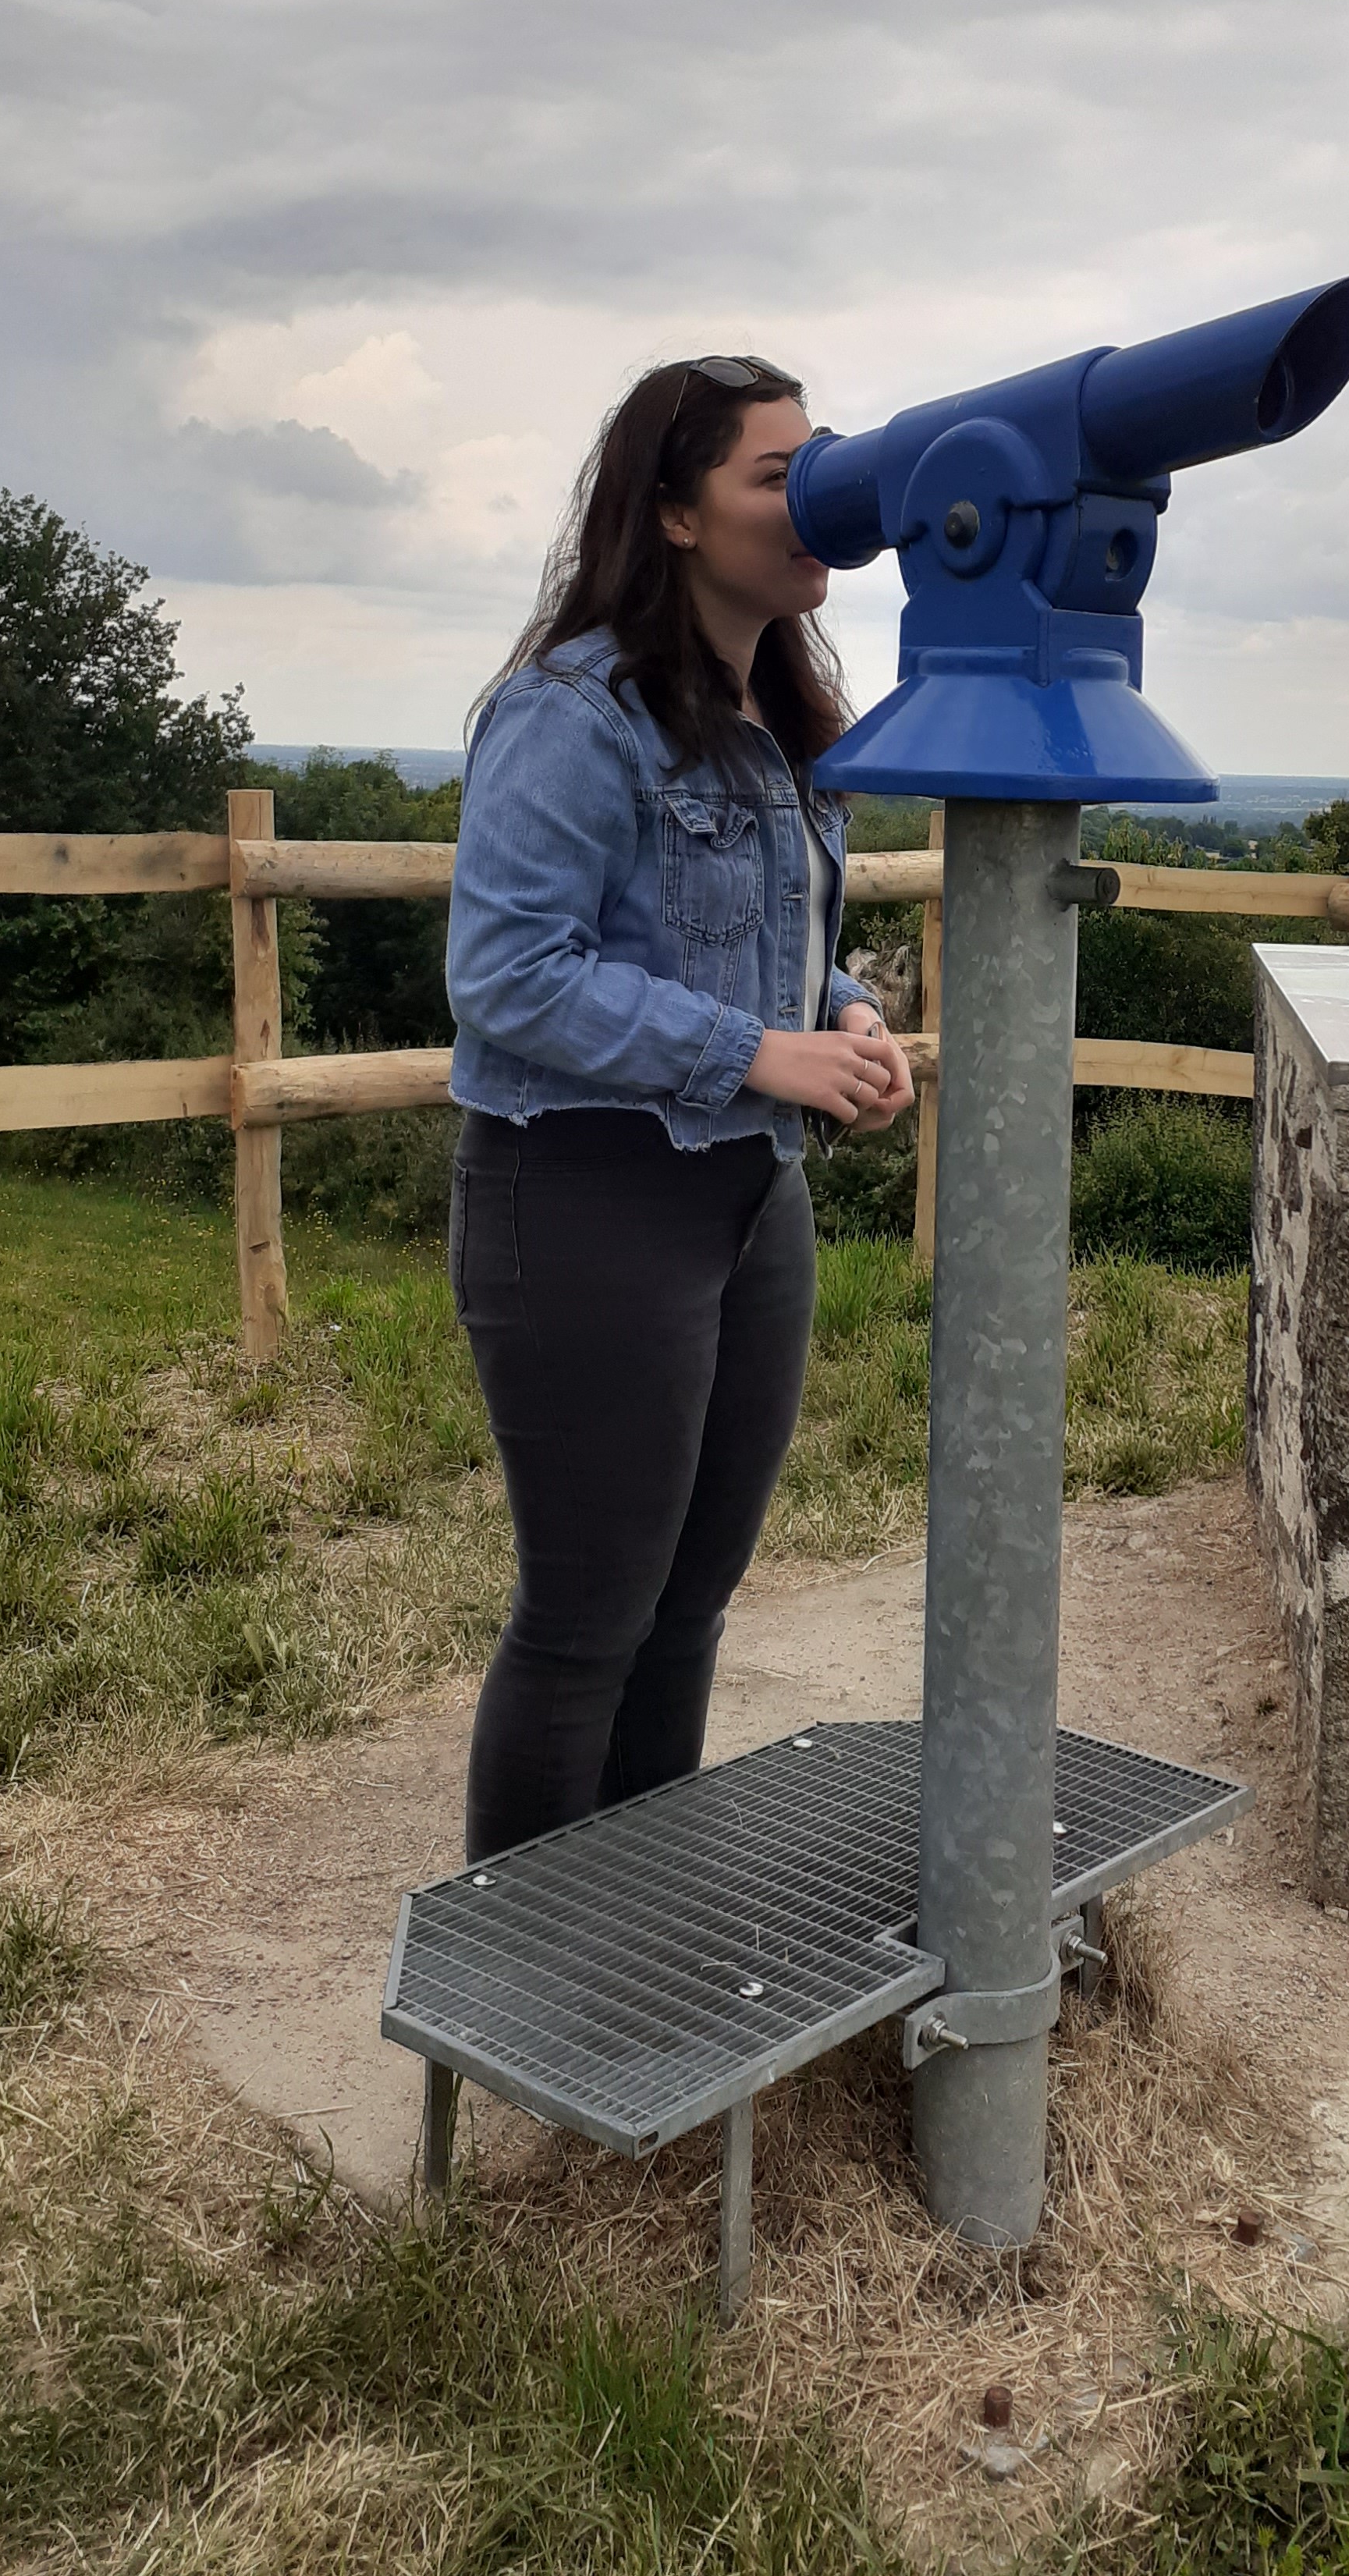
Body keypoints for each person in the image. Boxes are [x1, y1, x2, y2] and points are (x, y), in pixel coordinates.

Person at [444, 353, 914, 1862]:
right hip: (581, 1195)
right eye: (778, 475)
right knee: (589, 1618)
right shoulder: (570, 714)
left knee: (691, 1604)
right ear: (675, 516)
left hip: (744, 1198)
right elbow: (507, 975)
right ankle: (523, 1986)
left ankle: (634, 1941)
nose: (817, 500)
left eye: (820, 462)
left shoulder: (777, 715)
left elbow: (767, 930)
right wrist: (758, 1052)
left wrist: (836, 1007)